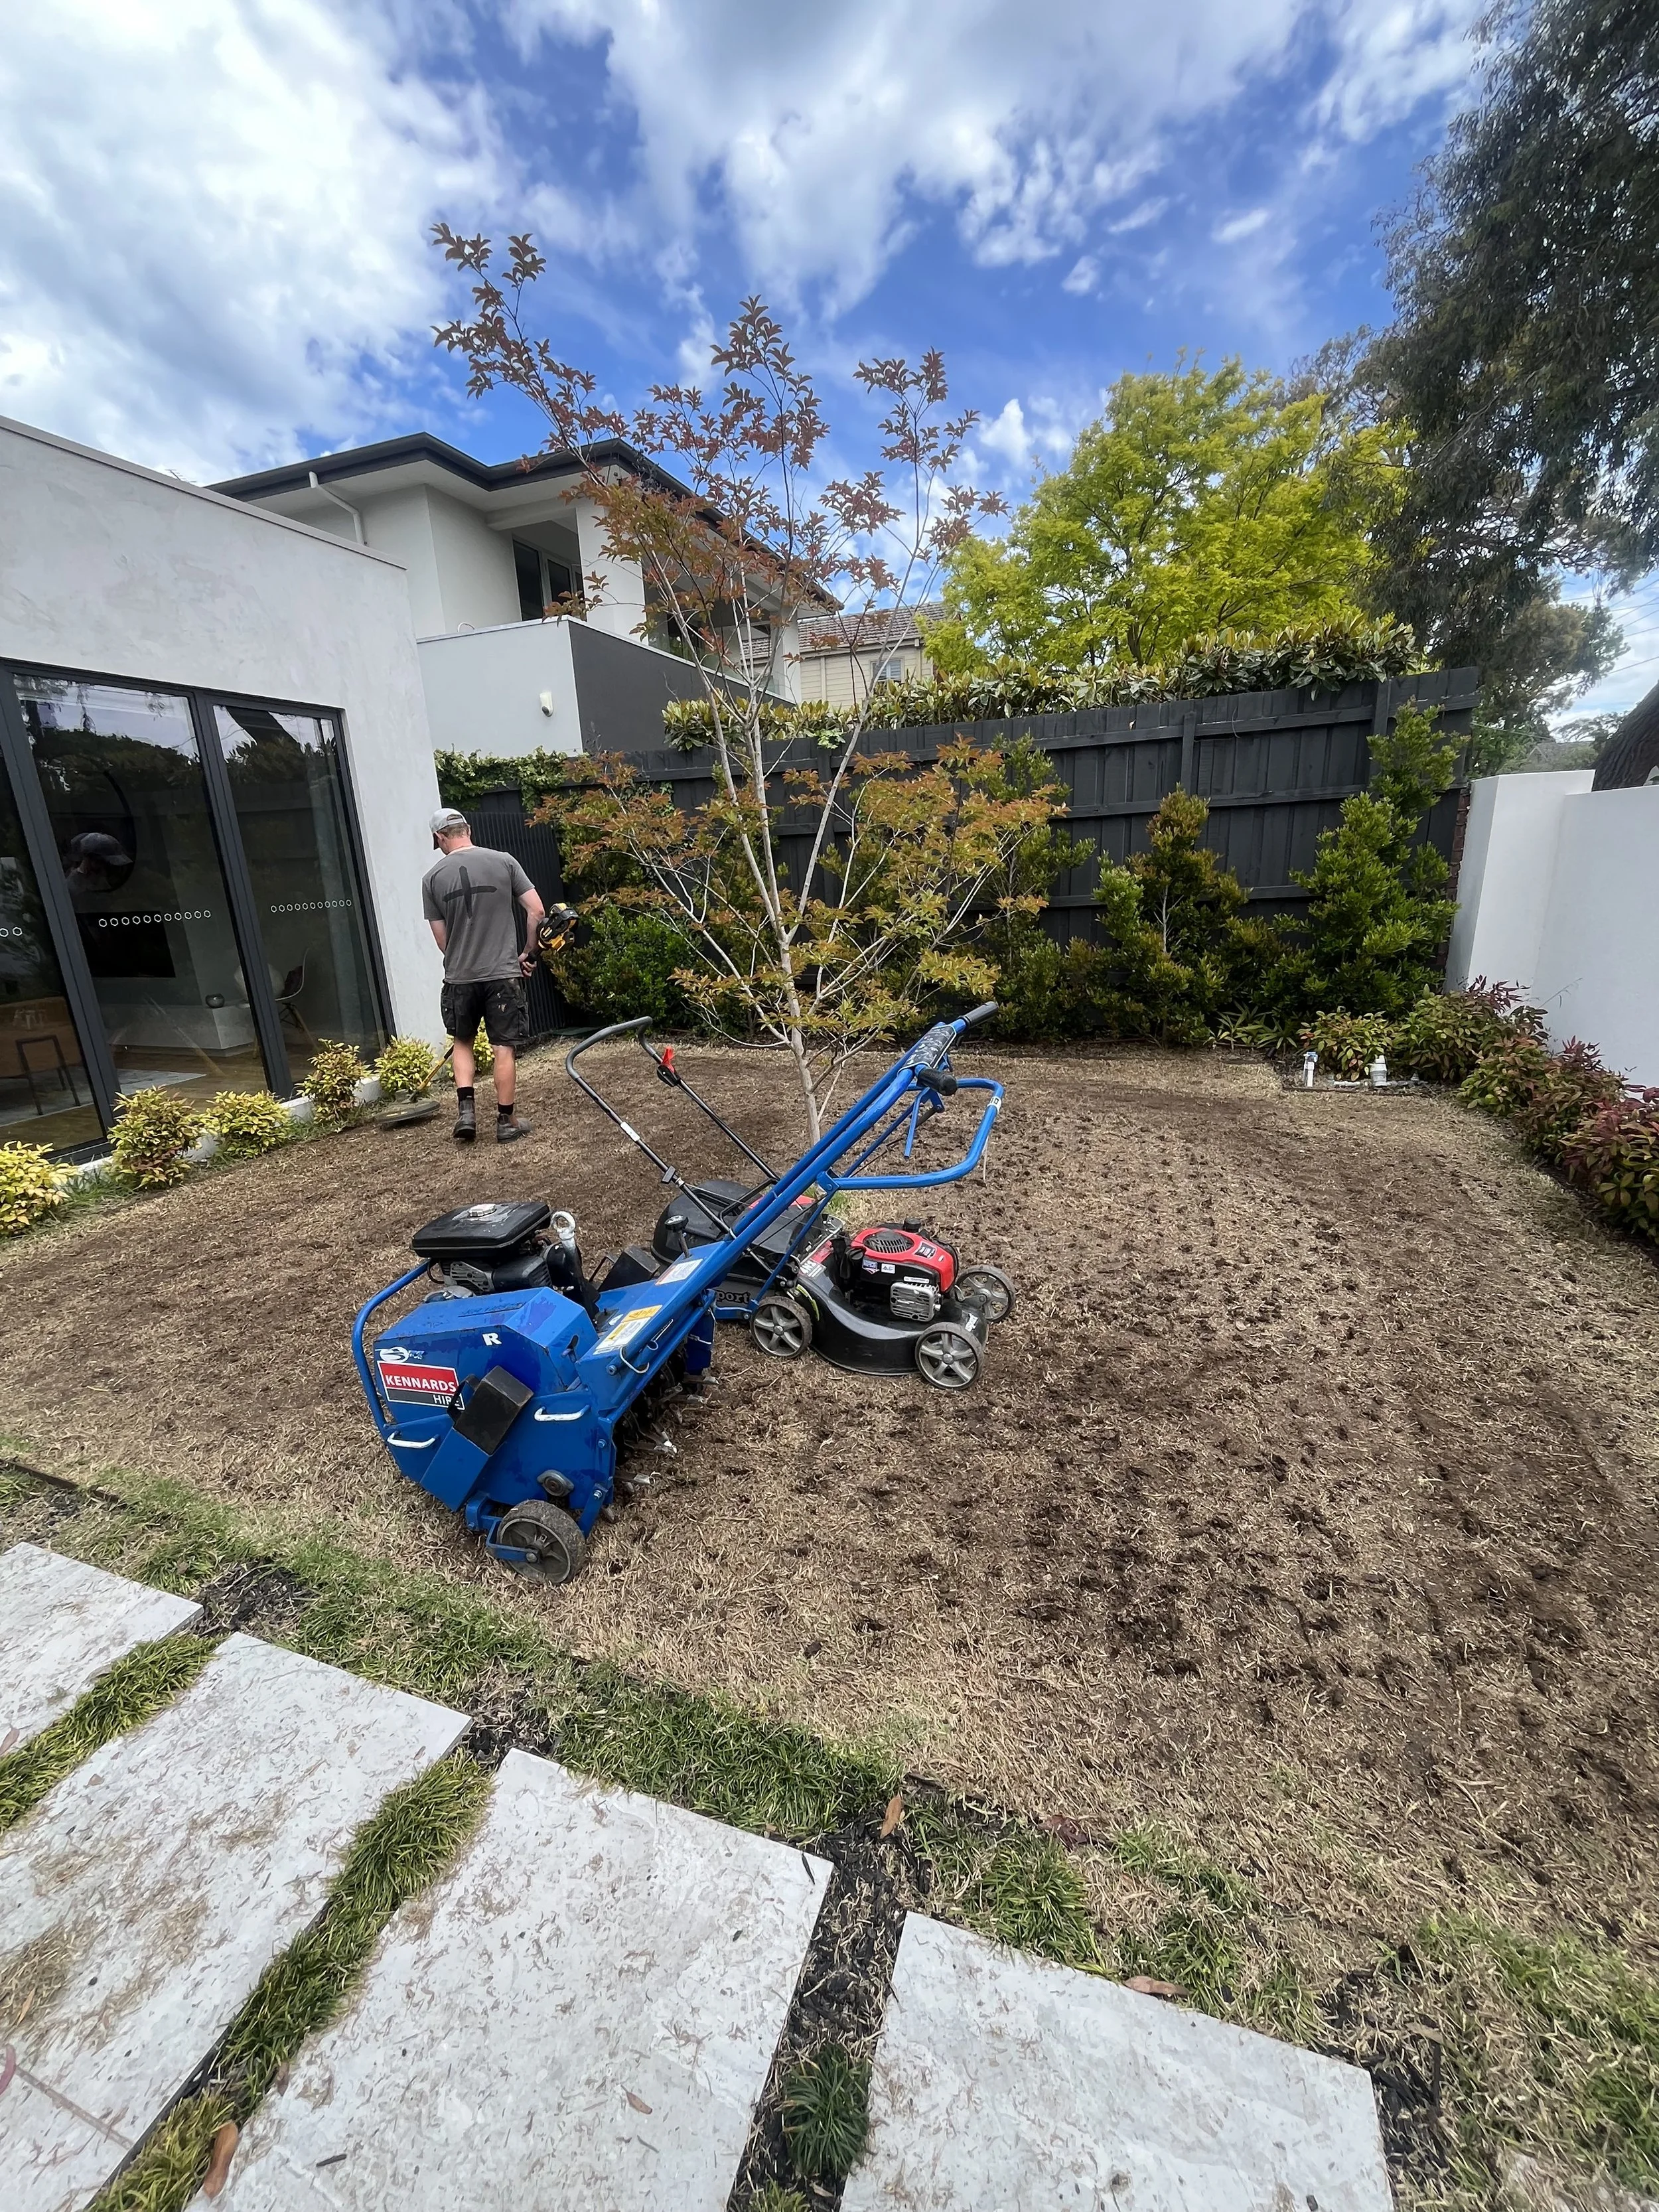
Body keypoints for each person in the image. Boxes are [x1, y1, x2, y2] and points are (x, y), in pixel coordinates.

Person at [421, 807, 545, 1143]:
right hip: (503, 975)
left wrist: (462, 960)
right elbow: (537, 911)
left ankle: (467, 1114)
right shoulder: (504, 861)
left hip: (460, 978)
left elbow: (441, 938)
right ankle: (506, 1122)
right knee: (503, 1046)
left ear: (439, 837)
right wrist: (528, 953)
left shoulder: (432, 878)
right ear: (469, 829)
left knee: (463, 1041)